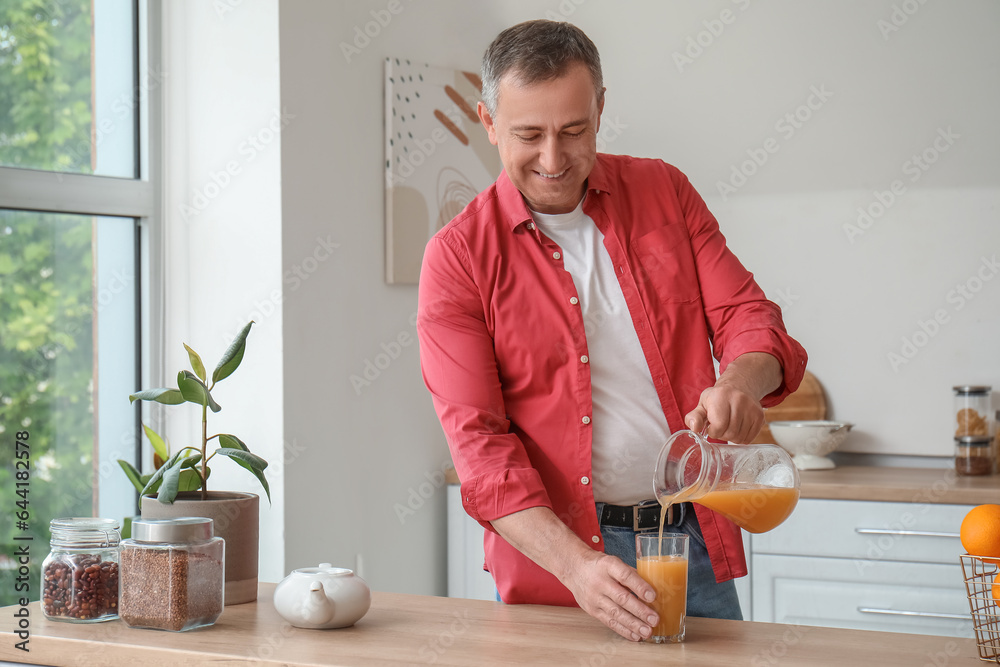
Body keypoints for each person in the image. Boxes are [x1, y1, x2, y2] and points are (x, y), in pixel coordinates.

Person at [416, 19, 807, 642]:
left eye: (574, 130)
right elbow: (481, 452)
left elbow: (750, 317)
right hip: (555, 565)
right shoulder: (458, 258)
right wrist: (577, 566)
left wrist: (740, 380)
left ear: (601, 108)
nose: (552, 159)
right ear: (488, 122)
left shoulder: (664, 192)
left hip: (688, 539)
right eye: (528, 134)